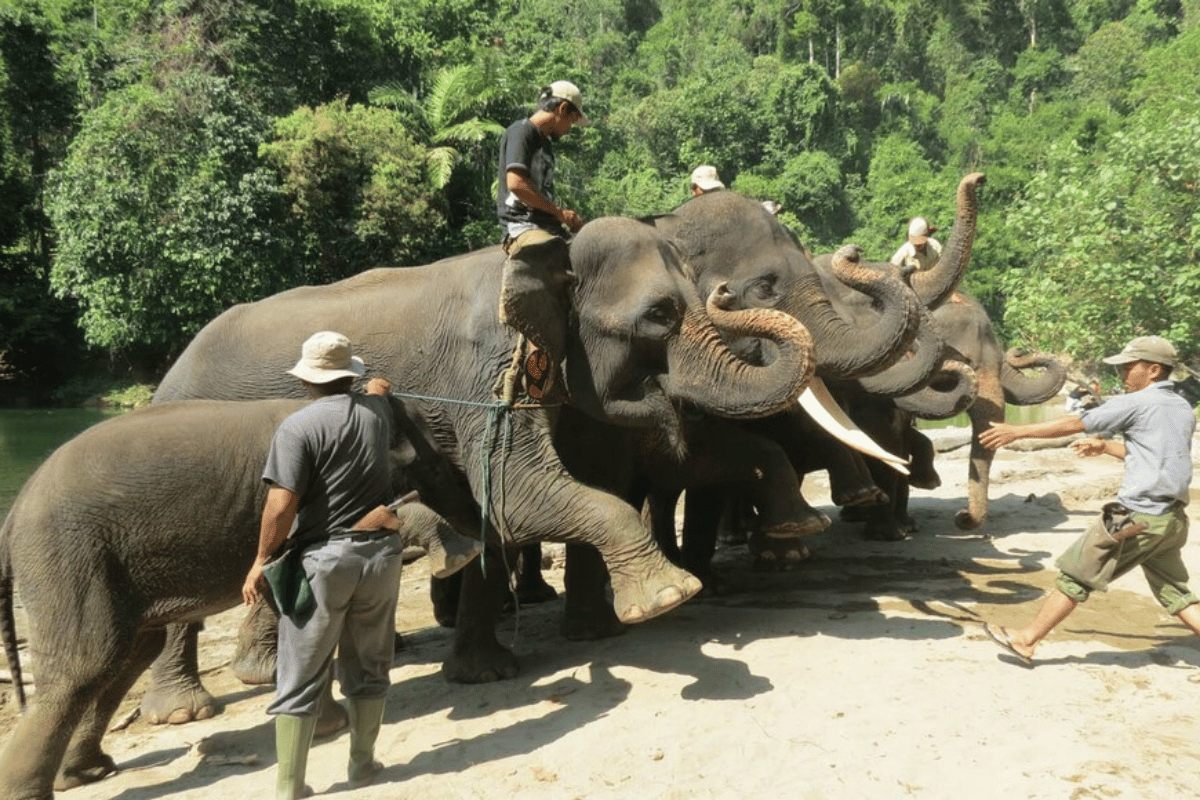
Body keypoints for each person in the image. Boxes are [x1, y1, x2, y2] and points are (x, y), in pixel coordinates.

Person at [241, 331, 407, 798]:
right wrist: (377, 389)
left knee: (300, 675)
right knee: (370, 666)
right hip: (380, 557)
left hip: (325, 561)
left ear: (306, 382)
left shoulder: (298, 428)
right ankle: (363, 766)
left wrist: (261, 560)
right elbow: (376, 394)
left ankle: (290, 786)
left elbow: (281, 505)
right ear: (348, 376)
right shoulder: (377, 415)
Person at [977, 335, 1200, 679]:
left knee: (1075, 574)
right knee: (1176, 594)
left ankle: (1026, 639)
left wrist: (1017, 432)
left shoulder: (1138, 401)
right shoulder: (1181, 407)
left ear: (1154, 370)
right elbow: (1154, 458)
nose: (1124, 373)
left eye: (1130, 366)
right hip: (1170, 519)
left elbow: (1076, 422)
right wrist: (1106, 447)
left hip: (1136, 515)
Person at [495, 80, 590, 365]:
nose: (570, 129)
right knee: (548, 274)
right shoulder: (522, 131)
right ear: (562, 109)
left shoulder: (545, 144)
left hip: (546, 225)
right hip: (523, 227)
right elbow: (516, 184)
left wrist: (562, 218)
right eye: (571, 121)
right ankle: (538, 364)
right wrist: (560, 213)